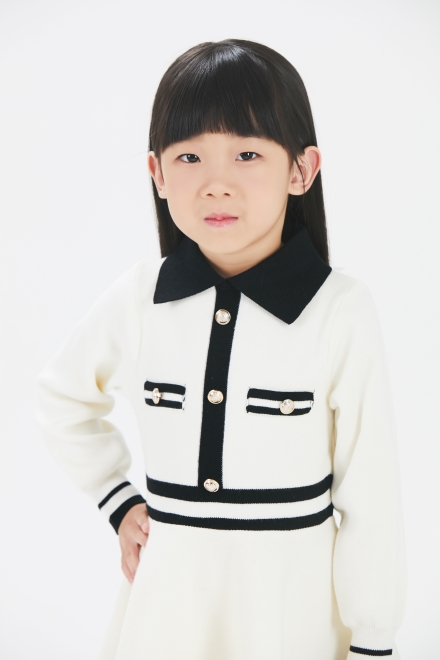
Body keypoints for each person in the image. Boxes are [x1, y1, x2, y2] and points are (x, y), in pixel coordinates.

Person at [34, 39, 407, 660]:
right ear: (156, 173)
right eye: (189, 156)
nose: (216, 184)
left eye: (247, 153)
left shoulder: (339, 309)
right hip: (166, 612)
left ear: (302, 169)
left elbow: (371, 495)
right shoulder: (141, 297)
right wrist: (119, 502)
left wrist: (373, 639)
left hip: (288, 616)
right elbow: (62, 397)